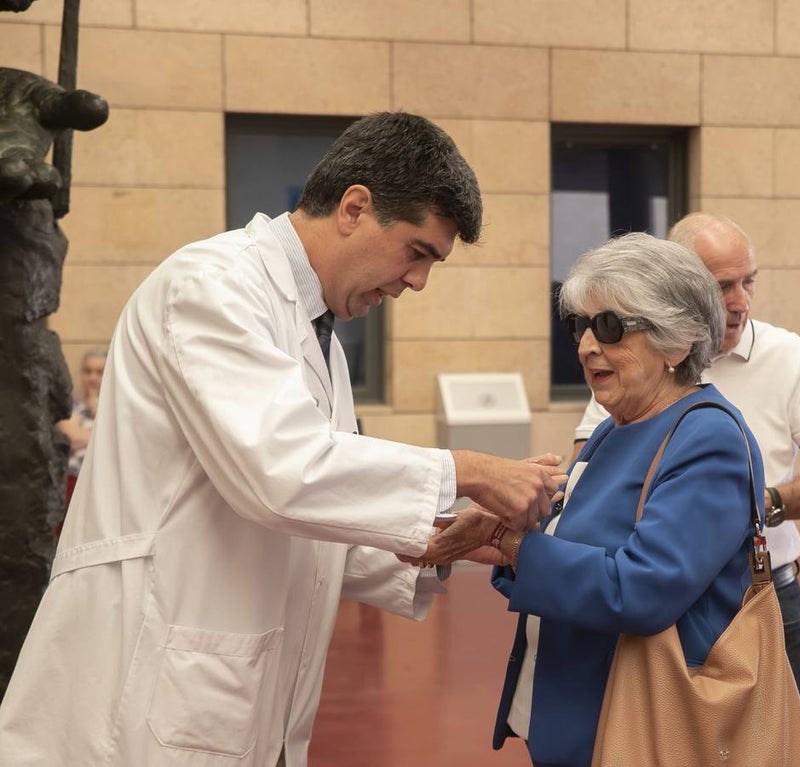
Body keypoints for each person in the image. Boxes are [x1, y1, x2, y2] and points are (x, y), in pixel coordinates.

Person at [0, 112, 564, 766]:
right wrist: (468, 469)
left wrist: (449, 541)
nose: (417, 282)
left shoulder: (322, 340)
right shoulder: (213, 286)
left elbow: (318, 516)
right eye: (418, 252)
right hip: (146, 675)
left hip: (236, 689)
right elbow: (282, 472)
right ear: (355, 206)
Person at [570, 213, 800, 746]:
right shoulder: (637, 359)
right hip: (661, 601)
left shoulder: (786, 355)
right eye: (720, 284)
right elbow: (585, 478)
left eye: (748, 281)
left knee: (770, 749)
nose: (738, 301)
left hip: (760, 590)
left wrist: (753, 505)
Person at [481, 232, 766, 767]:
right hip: (577, 713)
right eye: (579, 327)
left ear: (678, 342)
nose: (588, 346)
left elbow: (642, 589)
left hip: (638, 727)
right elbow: (576, 547)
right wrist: (508, 529)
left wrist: (516, 547)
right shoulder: (616, 427)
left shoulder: (708, 438)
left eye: (610, 327)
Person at [55, 347, 105, 519]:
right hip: (73, 481)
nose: (92, 378)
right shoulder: (70, 407)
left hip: (103, 484)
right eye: (88, 371)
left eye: (99, 372)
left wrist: (97, 408)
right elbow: (72, 438)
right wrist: (99, 436)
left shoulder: (115, 411)